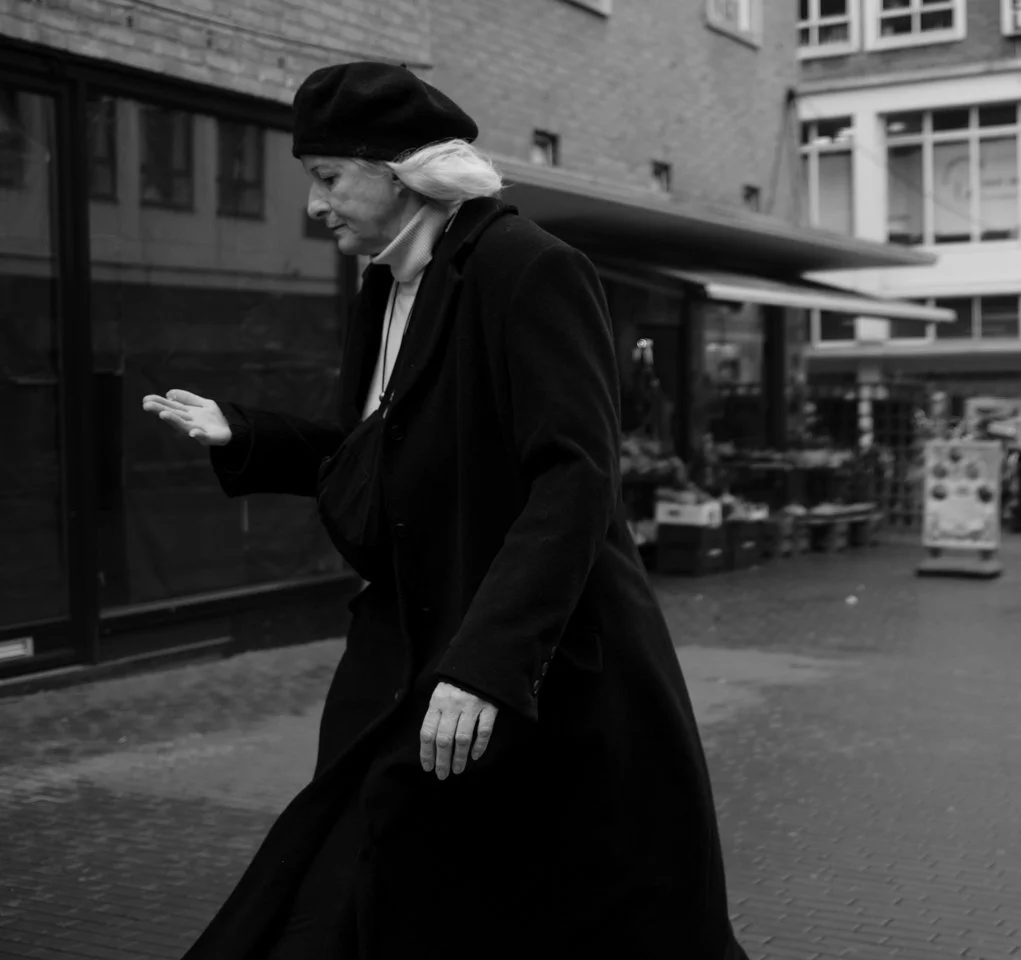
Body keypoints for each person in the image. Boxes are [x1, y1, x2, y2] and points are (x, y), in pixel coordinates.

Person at [142, 61, 751, 960]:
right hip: (403, 660)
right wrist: (248, 435)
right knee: (353, 887)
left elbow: (575, 479)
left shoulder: (530, 269)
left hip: (530, 674)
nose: (316, 207)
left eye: (327, 179)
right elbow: (385, 455)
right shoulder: (385, 287)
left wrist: (487, 666)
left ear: (398, 173)